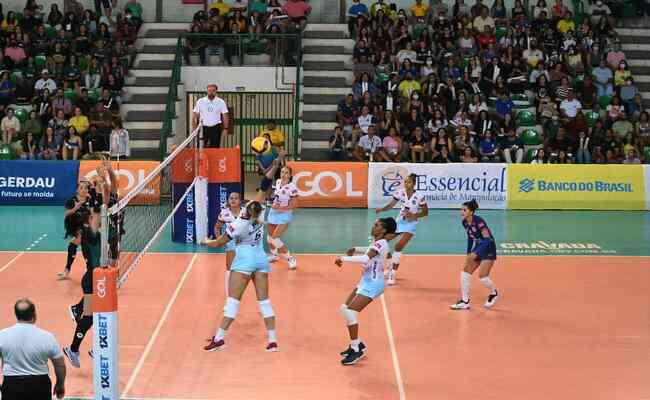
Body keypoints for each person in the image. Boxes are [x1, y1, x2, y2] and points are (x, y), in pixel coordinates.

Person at [202, 200, 279, 352]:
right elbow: (261, 195)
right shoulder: (261, 213)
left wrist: (205, 242)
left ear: (246, 210)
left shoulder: (238, 225)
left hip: (244, 261)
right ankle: (272, 341)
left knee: (233, 302)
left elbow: (218, 243)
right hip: (261, 260)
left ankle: (219, 339)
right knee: (264, 302)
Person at [335, 217, 397, 365]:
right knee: (344, 309)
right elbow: (370, 250)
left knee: (351, 313)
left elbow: (365, 258)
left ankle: (356, 349)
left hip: (374, 284)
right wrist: (355, 248)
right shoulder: (377, 242)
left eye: (376, 225)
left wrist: (342, 258)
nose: (373, 226)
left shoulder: (381, 243)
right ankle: (358, 344)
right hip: (366, 281)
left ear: (383, 230)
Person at [63, 174, 109, 367]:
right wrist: (99, 188)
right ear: (89, 220)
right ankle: (75, 349)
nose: (97, 217)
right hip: (92, 279)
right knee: (92, 317)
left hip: (96, 277)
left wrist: (101, 184)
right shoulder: (89, 233)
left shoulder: (91, 230)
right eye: (93, 217)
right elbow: (100, 207)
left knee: (98, 315)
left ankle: (79, 348)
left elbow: (102, 205)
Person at [0, 299, 67, 399]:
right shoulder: (47, 337)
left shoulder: (2, 335)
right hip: (40, 386)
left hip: (12, 385)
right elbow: (59, 364)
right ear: (34, 314)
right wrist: (60, 384)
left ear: (16, 314)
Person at [375, 173, 428, 285]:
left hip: (411, 224)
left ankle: (392, 274)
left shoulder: (419, 196)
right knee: (383, 240)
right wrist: (382, 209)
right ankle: (390, 264)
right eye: (405, 182)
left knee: (398, 246)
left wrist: (414, 216)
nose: (406, 184)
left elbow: (425, 212)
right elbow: (391, 205)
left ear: (413, 184)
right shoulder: (400, 192)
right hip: (399, 221)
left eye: (408, 182)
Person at [450, 199, 499, 310]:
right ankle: (465, 301)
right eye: (461, 210)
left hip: (488, 247)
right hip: (478, 246)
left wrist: (476, 253)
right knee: (465, 272)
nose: (461, 212)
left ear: (471, 212)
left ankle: (494, 293)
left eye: (464, 210)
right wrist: (468, 253)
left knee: (483, 277)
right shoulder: (465, 222)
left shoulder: (479, 221)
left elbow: (487, 239)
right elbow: (470, 237)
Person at [266, 166, 299, 269]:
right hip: (273, 211)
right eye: (282, 172)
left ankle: (290, 258)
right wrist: (271, 203)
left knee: (275, 239)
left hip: (285, 213)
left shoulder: (292, 187)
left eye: (286, 173)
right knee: (270, 238)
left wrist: (281, 208)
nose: (284, 174)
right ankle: (274, 255)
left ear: (290, 175)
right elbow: (275, 195)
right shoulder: (278, 182)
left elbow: (295, 205)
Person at [213, 192, 242, 297]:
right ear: (228, 201)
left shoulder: (245, 212)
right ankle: (229, 297)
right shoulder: (224, 213)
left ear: (240, 201)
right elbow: (217, 227)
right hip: (231, 243)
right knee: (229, 270)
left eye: (236, 198)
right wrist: (220, 240)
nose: (233, 200)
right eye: (231, 198)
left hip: (244, 244)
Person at [192, 84, 230, 148]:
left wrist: (225, 128)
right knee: (201, 146)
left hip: (216, 128)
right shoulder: (200, 101)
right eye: (209, 90)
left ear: (216, 92)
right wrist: (194, 128)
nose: (211, 92)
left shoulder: (221, 102)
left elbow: (225, 116)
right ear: (207, 91)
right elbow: (195, 116)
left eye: (213, 90)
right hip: (203, 128)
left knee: (215, 147)